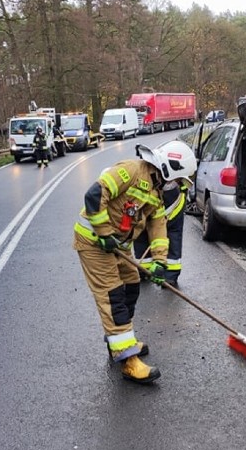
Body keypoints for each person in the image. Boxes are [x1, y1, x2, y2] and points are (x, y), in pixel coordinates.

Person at [73, 139, 197, 384]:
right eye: (179, 179)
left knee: (131, 287)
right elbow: (95, 194)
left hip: (118, 246)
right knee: (113, 296)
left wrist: (160, 262)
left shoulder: (156, 190)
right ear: (169, 168)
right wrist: (104, 232)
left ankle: (119, 340)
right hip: (94, 243)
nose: (178, 184)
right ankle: (128, 360)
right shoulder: (130, 170)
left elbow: (158, 226)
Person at [133, 175, 190, 287]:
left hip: (167, 196)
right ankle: (154, 271)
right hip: (167, 195)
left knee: (167, 235)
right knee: (169, 236)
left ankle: (163, 274)